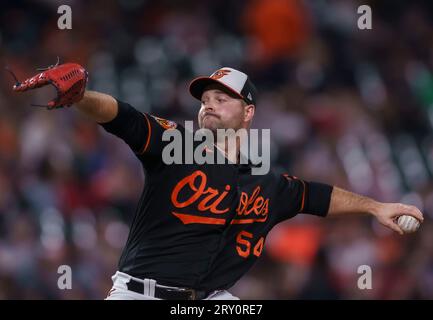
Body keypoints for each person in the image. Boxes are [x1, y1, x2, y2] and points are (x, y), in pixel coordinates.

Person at [11, 63, 424, 300]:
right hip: (142, 294)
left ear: (248, 113)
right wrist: (82, 96)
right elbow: (124, 117)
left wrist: (375, 206)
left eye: (222, 99)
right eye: (205, 99)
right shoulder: (176, 145)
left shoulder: (266, 180)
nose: (209, 105)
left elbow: (314, 196)